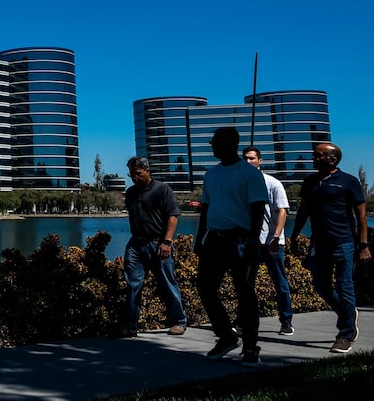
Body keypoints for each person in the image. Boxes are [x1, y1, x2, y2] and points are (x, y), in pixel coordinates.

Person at [195, 127, 268, 367]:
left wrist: (253, 241)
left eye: (216, 142)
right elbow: (206, 208)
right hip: (214, 240)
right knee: (205, 288)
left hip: (241, 240)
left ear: (231, 143)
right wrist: (199, 239)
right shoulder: (211, 174)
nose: (213, 146)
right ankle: (227, 336)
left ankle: (250, 347)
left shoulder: (249, 173)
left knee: (245, 294)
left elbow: (258, 210)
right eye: (212, 142)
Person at [290, 142, 371, 354]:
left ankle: (345, 334)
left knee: (345, 287)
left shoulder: (349, 182)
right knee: (321, 287)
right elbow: (303, 211)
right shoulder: (310, 181)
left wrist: (363, 245)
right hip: (319, 244)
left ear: (332, 159)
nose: (313, 159)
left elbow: (361, 216)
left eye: (318, 156)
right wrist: (294, 234)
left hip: (344, 242)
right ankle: (348, 315)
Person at [121, 157, 188, 338]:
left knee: (167, 282)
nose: (134, 178)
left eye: (137, 173)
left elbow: (173, 216)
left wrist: (166, 242)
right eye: (131, 174)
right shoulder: (130, 193)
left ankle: (179, 321)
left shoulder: (162, 189)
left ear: (147, 171)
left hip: (158, 243)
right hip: (136, 244)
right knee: (132, 284)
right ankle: (130, 326)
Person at [241, 146, 294, 336]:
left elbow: (282, 211)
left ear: (260, 161)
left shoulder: (273, 184)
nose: (248, 162)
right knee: (245, 284)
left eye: (252, 159)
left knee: (280, 283)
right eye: (245, 158)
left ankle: (286, 322)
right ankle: (243, 321)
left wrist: (276, 236)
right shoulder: (242, 184)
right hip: (250, 243)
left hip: (272, 243)